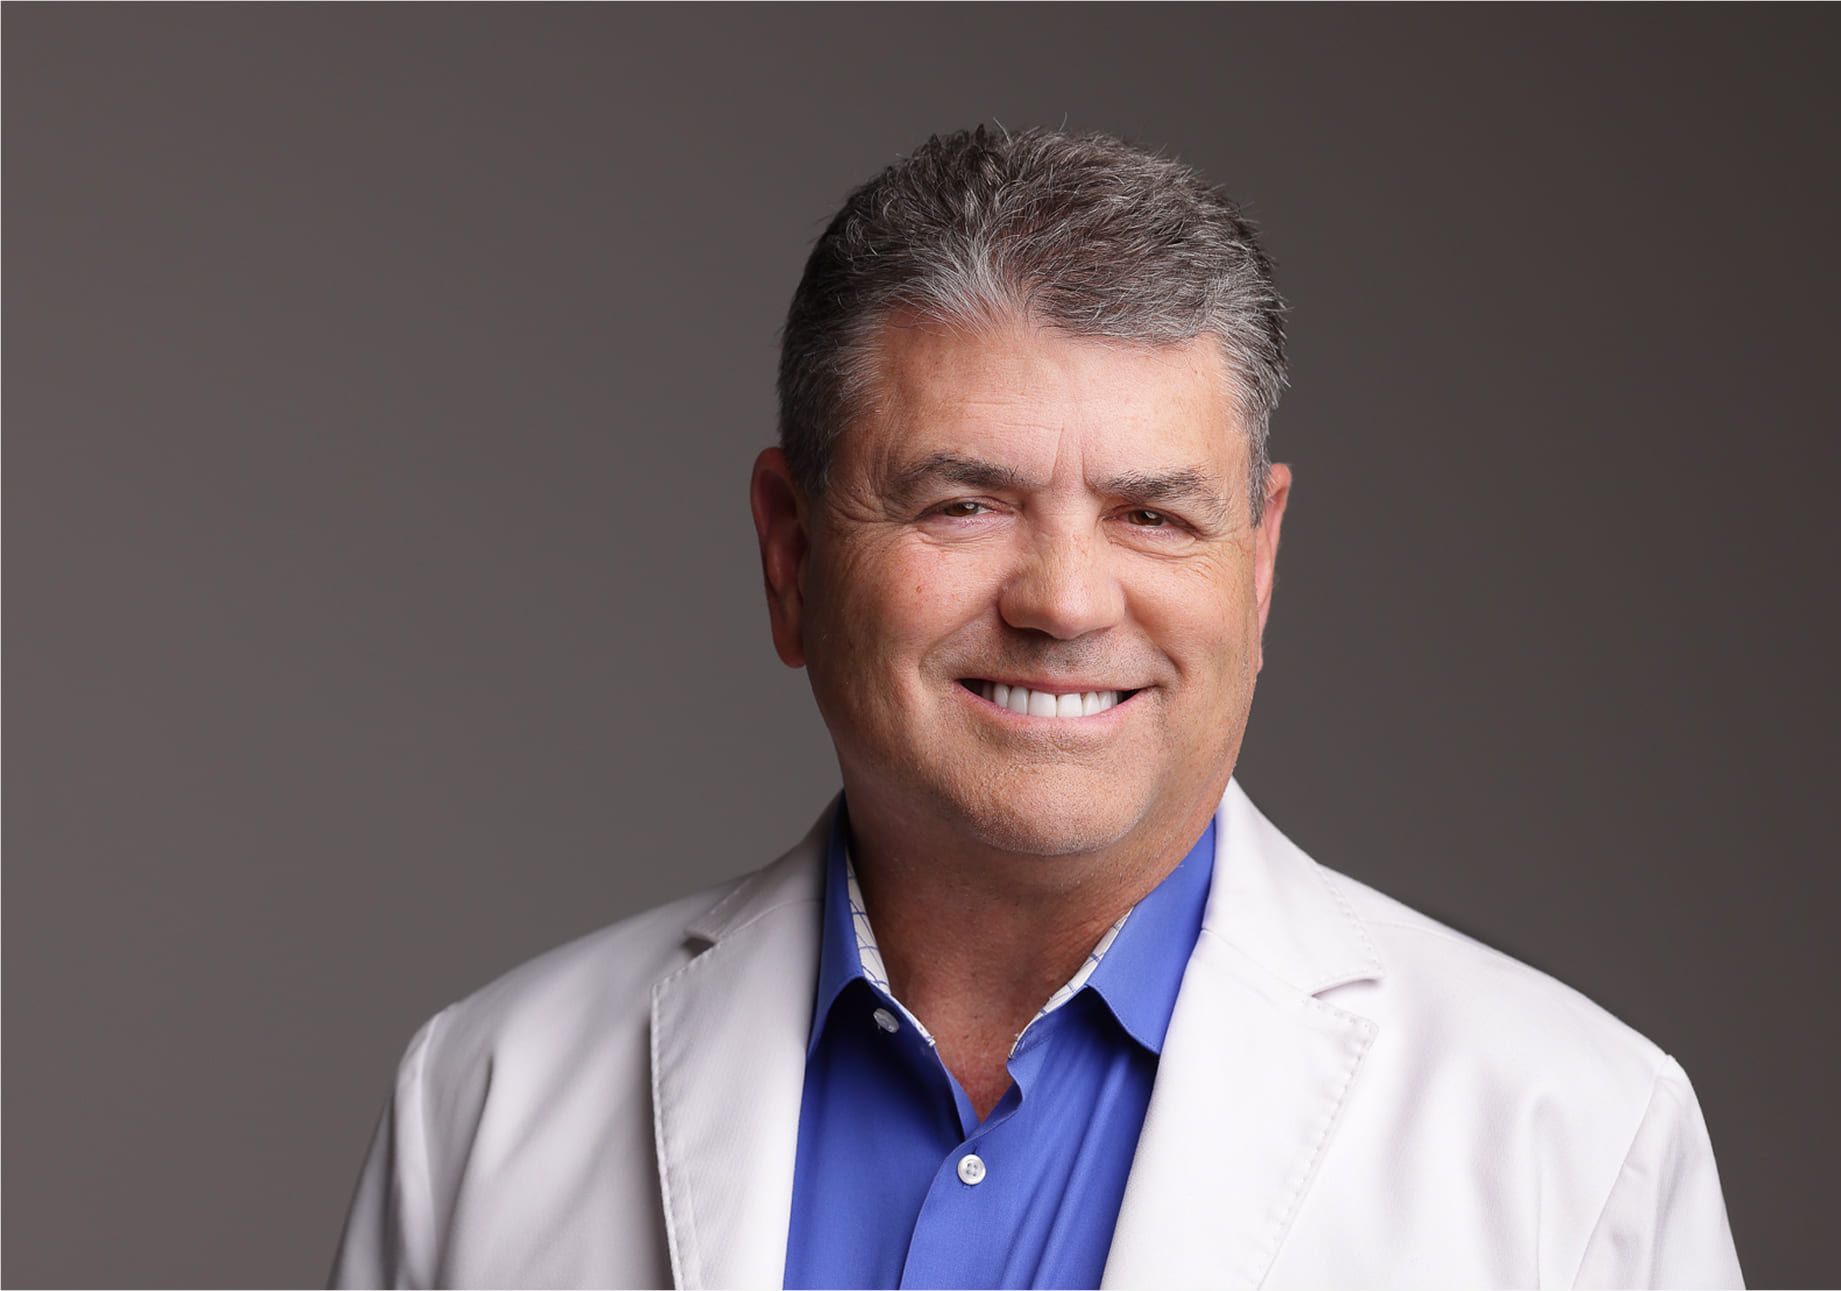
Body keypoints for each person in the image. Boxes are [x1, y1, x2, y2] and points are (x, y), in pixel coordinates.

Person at [331, 126, 1742, 1290]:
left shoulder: (1574, 1142)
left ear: (1258, 568)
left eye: (1153, 515)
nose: (1065, 601)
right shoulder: (487, 1102)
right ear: (791, 552)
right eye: (964, 503)